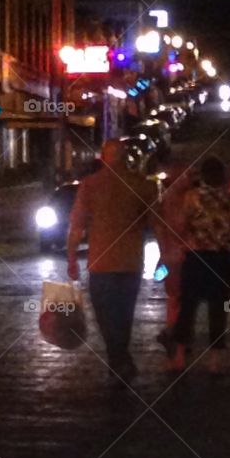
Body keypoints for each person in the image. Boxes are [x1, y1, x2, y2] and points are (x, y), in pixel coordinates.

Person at [67, 138, 161, 384]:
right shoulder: (141, 185)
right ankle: (120, 360)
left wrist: (71, 257)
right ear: (125, 157)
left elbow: (77, 225)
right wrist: (164, 255)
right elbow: (156, 223)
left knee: (106, 315)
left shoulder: (90, 185)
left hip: (101, 262)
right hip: (130, 261)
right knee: (124, 313)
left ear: (104, 157)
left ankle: (117, 359)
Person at [167, 156, 230, 374]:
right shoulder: (229, 199)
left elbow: (179, 226)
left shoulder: (192, 197)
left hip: (197, 257)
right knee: (218, 310)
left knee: (188, 307)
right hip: (222, 258)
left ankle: (179, 357)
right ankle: (215, 361)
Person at [155, 165, 195, 350]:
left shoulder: (170, 199)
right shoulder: (179, 199)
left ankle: (176, 334)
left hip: (175, 256)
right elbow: (172, 227)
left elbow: (161, 228)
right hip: (178, 256)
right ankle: (175, 334)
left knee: (176, 298)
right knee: (178, 297)